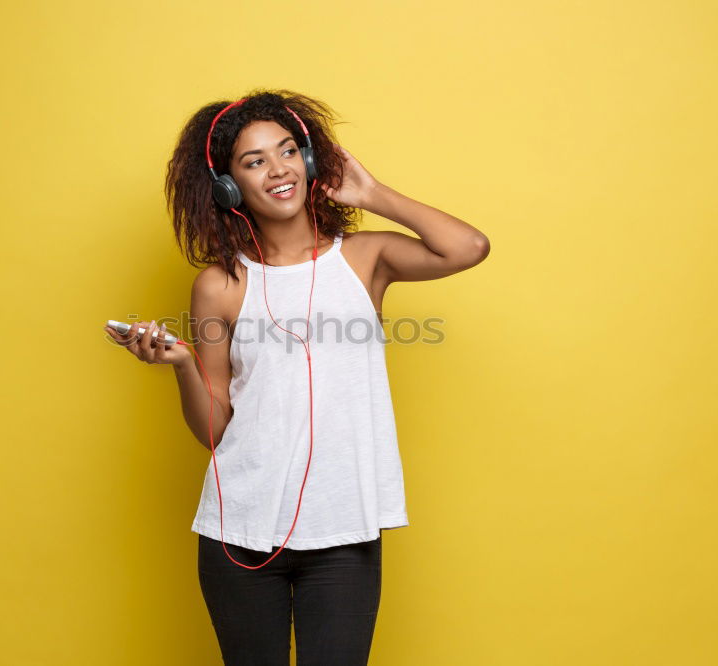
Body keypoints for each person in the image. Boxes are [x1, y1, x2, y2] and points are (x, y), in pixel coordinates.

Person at [104, 89, 490, 666]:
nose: (278, 169)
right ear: (228, 187)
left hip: (344, 528)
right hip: (239, 530)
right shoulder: (220, 287)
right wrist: (183, 363)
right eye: (254, 161)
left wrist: (374, 193)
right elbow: (213, 429)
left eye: (288, 151)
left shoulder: (364, 259)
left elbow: (469, 246)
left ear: (310, 164)